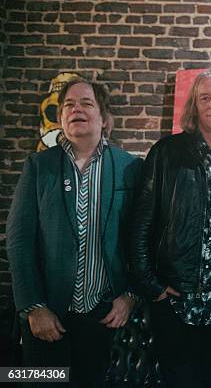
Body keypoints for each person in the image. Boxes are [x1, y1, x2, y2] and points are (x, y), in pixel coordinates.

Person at [7, 78, 141, 387]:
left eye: (86, 103)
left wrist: (130, 295)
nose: (75, 109)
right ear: (61, 118)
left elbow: (140, 238)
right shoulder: (39, 166)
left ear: (104, 118)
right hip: (46, 316)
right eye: (68, 104)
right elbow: (19, 240)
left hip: (101, 314)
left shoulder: (129, 167)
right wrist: (33, 306)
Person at [129, 68, 211, 388]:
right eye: (205, 98)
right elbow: (140, 223)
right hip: (174, 301)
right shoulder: (166, 154)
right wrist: (151, 285)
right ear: (195, 107)